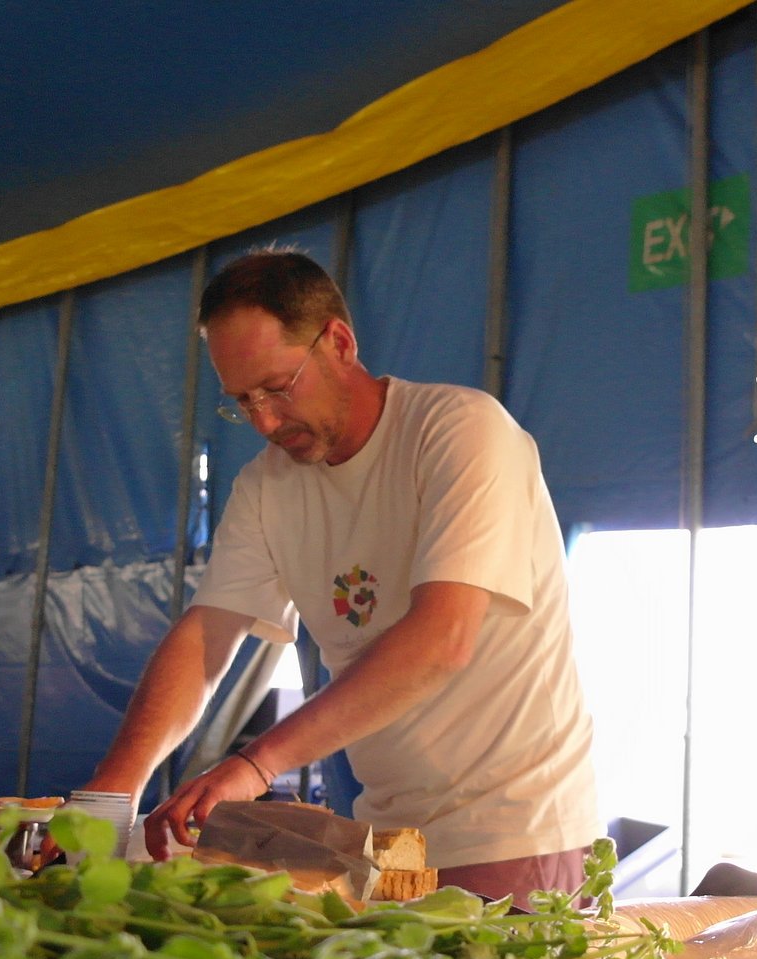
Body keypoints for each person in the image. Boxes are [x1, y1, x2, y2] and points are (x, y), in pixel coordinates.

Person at [81, 249, 600, 897]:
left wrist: (255, 764)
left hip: (514, 831)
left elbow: (443, 640)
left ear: (340, 342)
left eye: (278, 387)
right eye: (243, 401)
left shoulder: (459, 432)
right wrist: (111, 791)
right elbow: (206, 636)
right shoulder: (267, 488)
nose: (265, 421)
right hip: (388, 838)